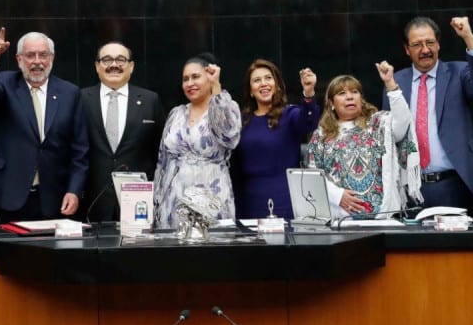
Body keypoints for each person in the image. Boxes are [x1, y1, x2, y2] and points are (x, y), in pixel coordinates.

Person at [0, 27, 88, 222]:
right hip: (12, 199)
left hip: (57, 200)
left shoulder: (70, 93)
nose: (37, 61)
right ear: (19, 60)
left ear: (52, 58)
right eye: (30, 55)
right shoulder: (4, 83)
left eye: (43, 55)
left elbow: (80, 150)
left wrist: (74, 190)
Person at [388, 16, 473, 209]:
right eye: (417, 45)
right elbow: (390, 132)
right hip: (409, 188)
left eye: (430, 42)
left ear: (438, 45)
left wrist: (468, 38)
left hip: (454, 185)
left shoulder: (458, 71)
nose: (425, 50)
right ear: (407, 49)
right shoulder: (395, 81)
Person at [309, 62, 422, 218]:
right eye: (341, 93)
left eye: (354, 92)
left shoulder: (378, 124)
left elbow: (403, 122)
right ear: (331, 104)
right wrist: (337, 195)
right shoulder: (321, 135)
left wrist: (390, 83)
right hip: (339, 220)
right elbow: (312, 175)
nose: (349, 97)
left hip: (381, 218)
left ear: (361, 99)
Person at [80, 41, 164, 223]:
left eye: (121, 60)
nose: (114, 65)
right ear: (97, 66)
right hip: (92, 200)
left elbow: (159, 151)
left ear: (131, 66)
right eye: (107, 60)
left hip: (138, 202)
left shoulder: (150, 100)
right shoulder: (81, 99)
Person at [154, 53, 241, 227]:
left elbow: (229, 138)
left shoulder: (226, 106)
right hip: (173, 202)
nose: (190, 83)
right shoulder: (176, 113)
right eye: (185, 79)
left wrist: (217, 86)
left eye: (196, 77)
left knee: (210, 252)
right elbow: (162, 161)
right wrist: (157, 202)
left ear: (209, 77)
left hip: (212, 199)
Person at [232, 59, 320, 219]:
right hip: (249, 200)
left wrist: (308, 93)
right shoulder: (241, 120)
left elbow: (308, 122)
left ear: (277, 85)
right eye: (257, 80)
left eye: (268, 78)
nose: (263, 84)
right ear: (250, 90)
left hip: (285, 199)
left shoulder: (289, 114)